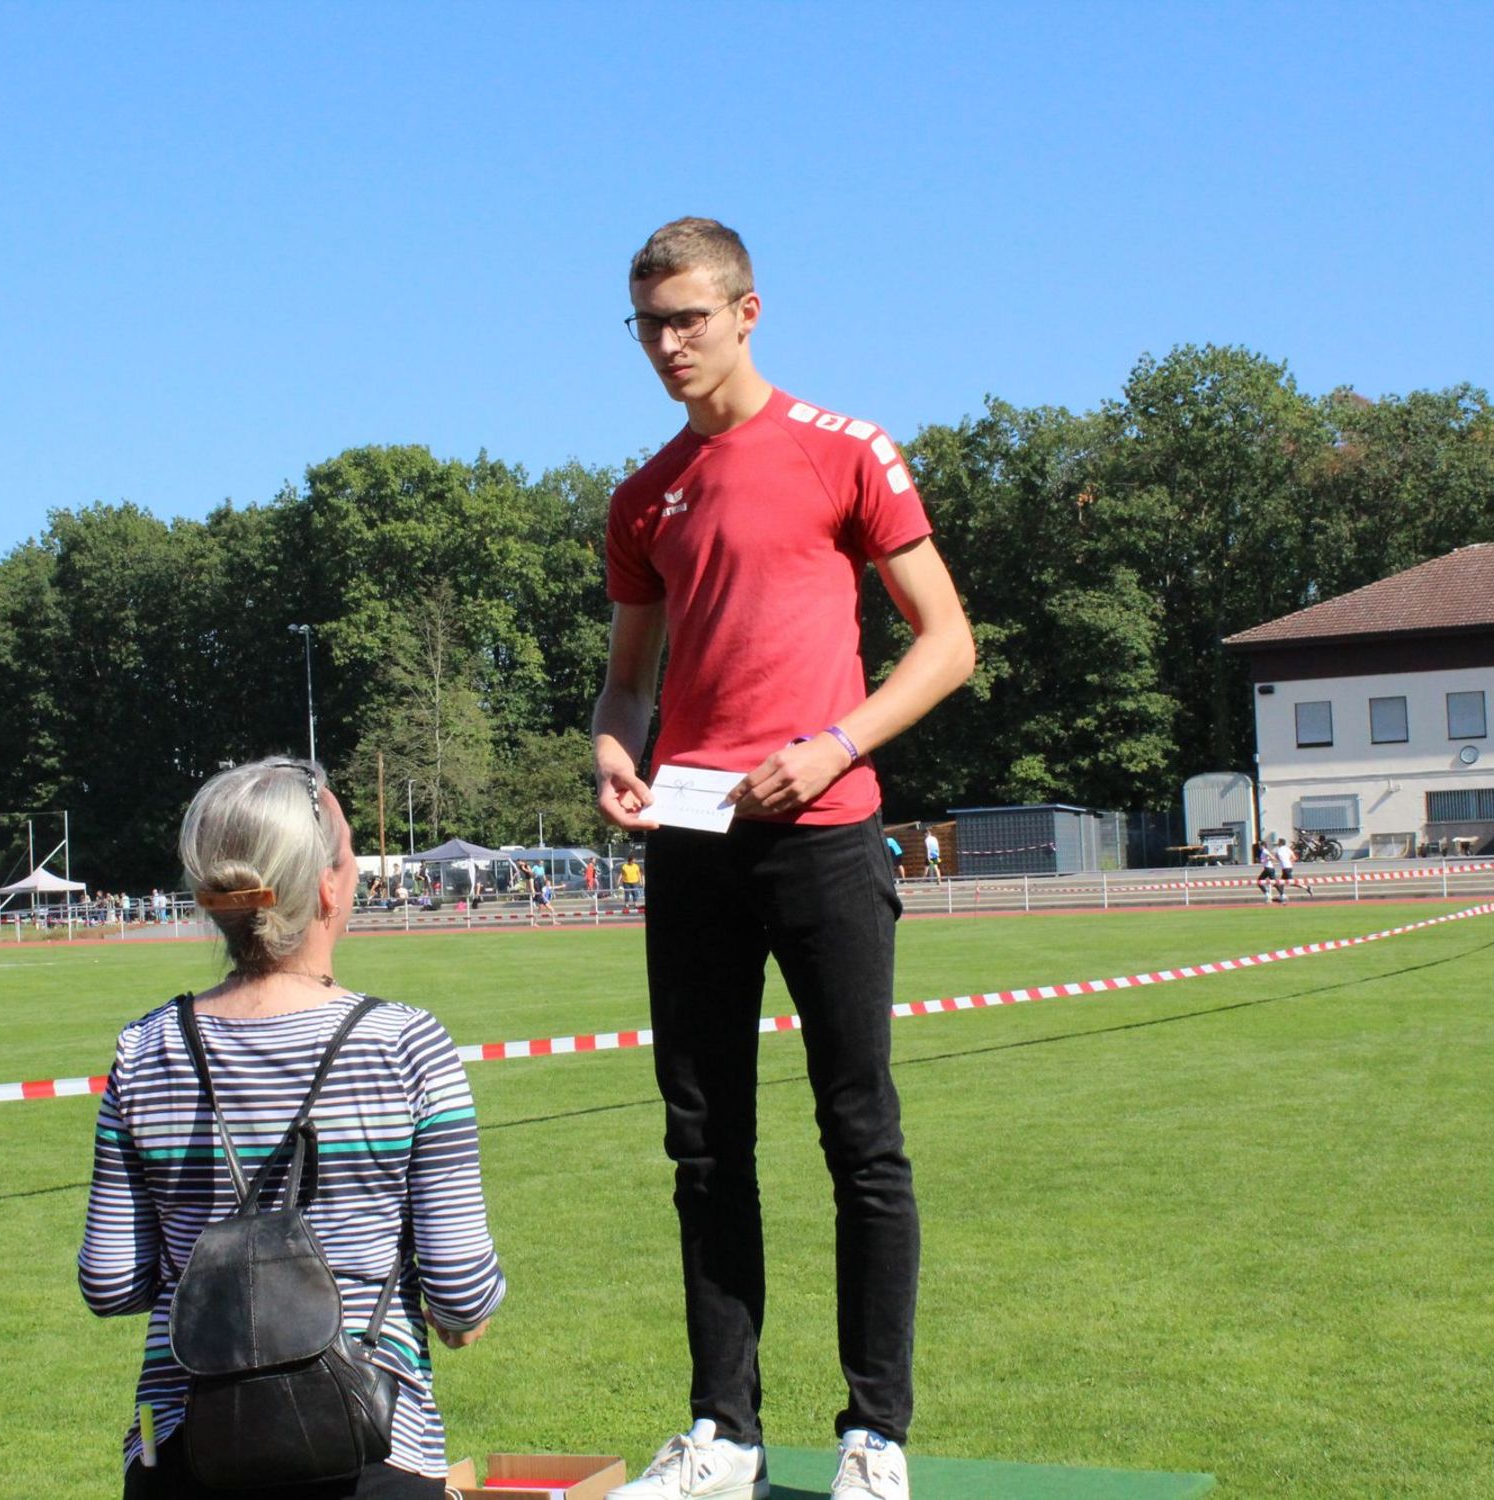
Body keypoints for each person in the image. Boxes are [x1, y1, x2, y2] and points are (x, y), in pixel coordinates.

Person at [593, 218, 976, 1500]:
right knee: (703, 1148)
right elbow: (626, 682)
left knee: (859, 1136)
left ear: (749, 312)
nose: (666, 344)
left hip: (823, 834)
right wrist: (611, 752)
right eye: (647, 322)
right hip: (694, 850)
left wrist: (831, 747)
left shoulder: (844, 451)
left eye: (688, 317)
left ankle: (874, 1437)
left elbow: (945, 644)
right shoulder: (641, 496)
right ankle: (723, 1436)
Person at [80, 757, 505, 1498]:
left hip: (189, 1448)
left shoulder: (144, 1049)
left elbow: (111, 1284)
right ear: (329, 885)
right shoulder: (406, 1045)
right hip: (371, 1442)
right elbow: (461, 1298)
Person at [1254, 837, 1278, 902]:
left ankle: (1268, 895)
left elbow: (1272, 858)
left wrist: (1266, 859)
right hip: (1268, 869)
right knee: (1275, 883)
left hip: (1268, 869)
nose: (1259, 846)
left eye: (1259, 845)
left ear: (1263, 845)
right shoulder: (1263, 851)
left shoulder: (1265, 851)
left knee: (1259, 881)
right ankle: (1280, 894)